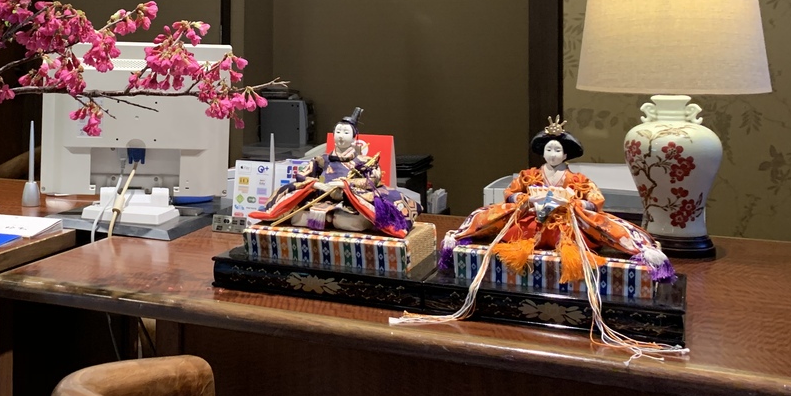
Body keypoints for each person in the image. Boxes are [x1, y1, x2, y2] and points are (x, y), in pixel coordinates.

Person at [438, 117, 673, 282]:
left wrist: (573, 202)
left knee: (607, 226)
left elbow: (594, 198)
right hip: (532, 220)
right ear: (542, 152)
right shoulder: (530, 175)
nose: (553, 154)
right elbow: (511, 192)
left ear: (566, 154)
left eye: (557, 150)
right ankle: (457, 239)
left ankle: (646, 253)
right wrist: (526, 198)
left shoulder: (577, 179)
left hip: (566, 223)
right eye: (549, 150)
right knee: (488, 215)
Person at [247, 107, 416, 239]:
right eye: (338, 132)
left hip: (349, 199)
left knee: (356, 220)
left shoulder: (363, 161)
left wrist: (346, 184)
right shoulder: (323, 159)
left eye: (346, 133)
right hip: (323, 195)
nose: (341, 136)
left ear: (354, 137)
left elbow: (373, 179)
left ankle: (333, 219)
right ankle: (328, 219)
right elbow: (302, 174)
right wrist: (316, 184)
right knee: (296, 217)